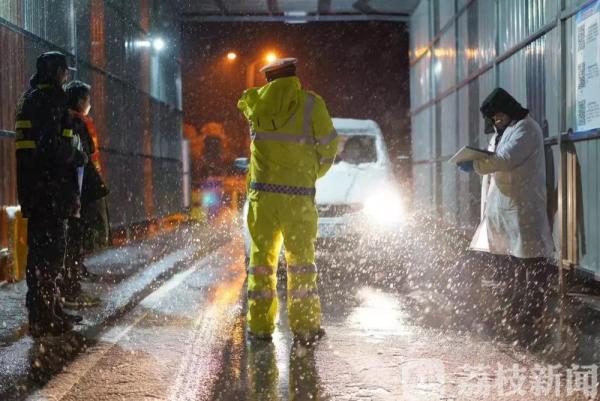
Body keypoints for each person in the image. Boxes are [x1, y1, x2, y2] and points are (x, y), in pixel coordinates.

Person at [237, 58, 338, 343]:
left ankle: (259, 328)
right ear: (294, 75)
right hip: (298, 200)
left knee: (260, 264)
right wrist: (313, 172)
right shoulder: (311, 105)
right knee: (301, 264)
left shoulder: (255, 104)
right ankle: (305, 328)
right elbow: (330, 145)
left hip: (263, 199)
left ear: (267, 79)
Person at [457, 88, 555, 334]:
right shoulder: (503, 132)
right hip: (503, 209)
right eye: (494, 120)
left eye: (499, 117)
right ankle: (515, 312)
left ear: (510, 110)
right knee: (511, 264)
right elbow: (496, 158)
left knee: (531, 263)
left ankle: (533, 316)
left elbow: (504, 159)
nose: (496, 122)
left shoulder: (526, 129)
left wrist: (476, 163)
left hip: (522, 207)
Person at [15, 52, 87, 338]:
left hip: (34, 189)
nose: (66, 77)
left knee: (39, 252)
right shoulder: (50, 99)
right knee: (51, 253)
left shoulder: (29, 99)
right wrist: (76, 156)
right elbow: (50, 146)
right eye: (64, 72)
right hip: (51, 190)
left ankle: (45, 310)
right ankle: (46, 315)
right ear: (56, 72)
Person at [61, 80, 109, 308]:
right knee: (76, 239)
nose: (89, 104)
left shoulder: (62, 118)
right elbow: (87, 152)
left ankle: (68, 287)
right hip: (79, 189)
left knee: (71, 240)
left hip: (72, 189)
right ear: (81, 101)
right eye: (88, 99)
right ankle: (71, 290)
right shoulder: (78, 121)